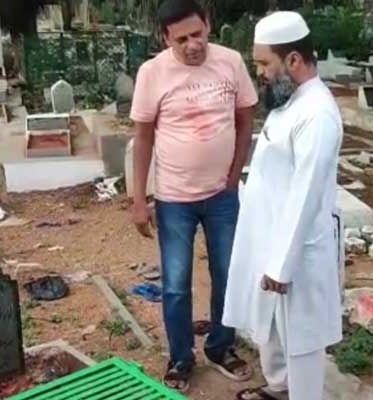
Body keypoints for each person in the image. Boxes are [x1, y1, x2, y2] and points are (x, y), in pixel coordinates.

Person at [129, 0, 258, 393]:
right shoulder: (152, 73)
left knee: (227, 275)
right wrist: (138, 198)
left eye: (197, 34)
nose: (192, 45)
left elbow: (245, 119)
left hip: (222, 197)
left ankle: (220, 347)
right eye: (181, 38)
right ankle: (181, 358)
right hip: (173, 200)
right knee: (174, 284)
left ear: (208, 25)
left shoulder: (230, 62)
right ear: (166, 38)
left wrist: (234, 177)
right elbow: (143, 137)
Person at [222, 11, 344, 400]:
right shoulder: (289, 105)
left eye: (263, 63)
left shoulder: (317, 115)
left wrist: (282, 263)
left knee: (302, 339)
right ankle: (279, 389)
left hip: (298, 253)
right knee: (273, 328)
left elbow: (306, 194)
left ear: (293, 60)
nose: (258, 72)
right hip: (272, 241)